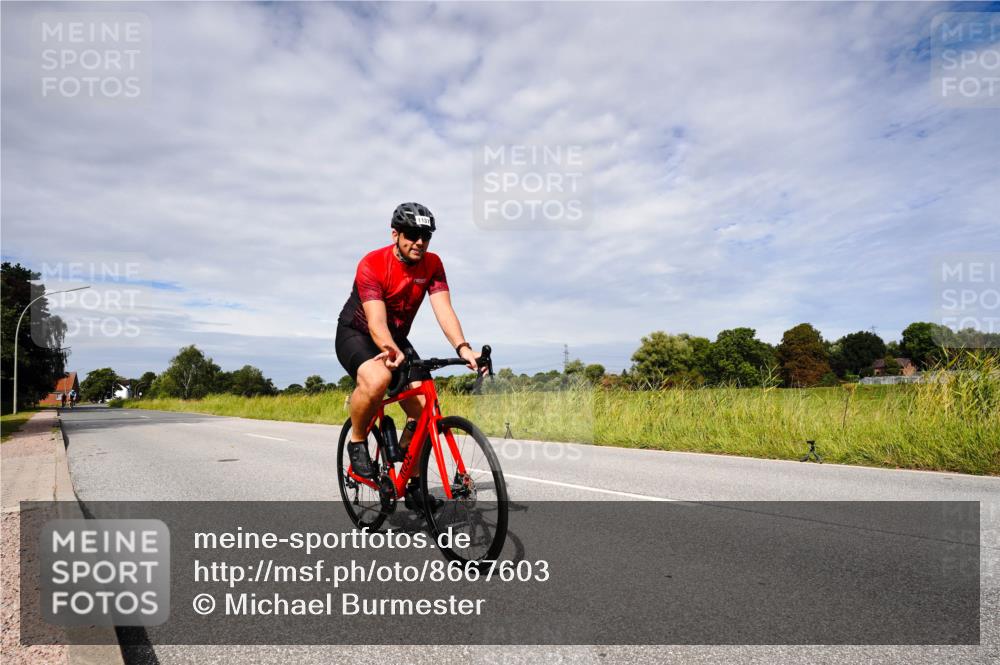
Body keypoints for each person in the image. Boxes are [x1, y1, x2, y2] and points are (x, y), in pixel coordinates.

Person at [336, 202, 481, 513]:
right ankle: (358, 442)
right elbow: (375, 321)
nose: (419, 242)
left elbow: (444, 309)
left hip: (397, 338)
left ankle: (411, 480)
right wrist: (388, 348)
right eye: (413, 234)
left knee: (424, 410)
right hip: (357, 333)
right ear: (395, 234)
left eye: (425, 236)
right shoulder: (372, 264)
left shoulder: (433, 264)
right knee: (378, 380)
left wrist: (463, 347)